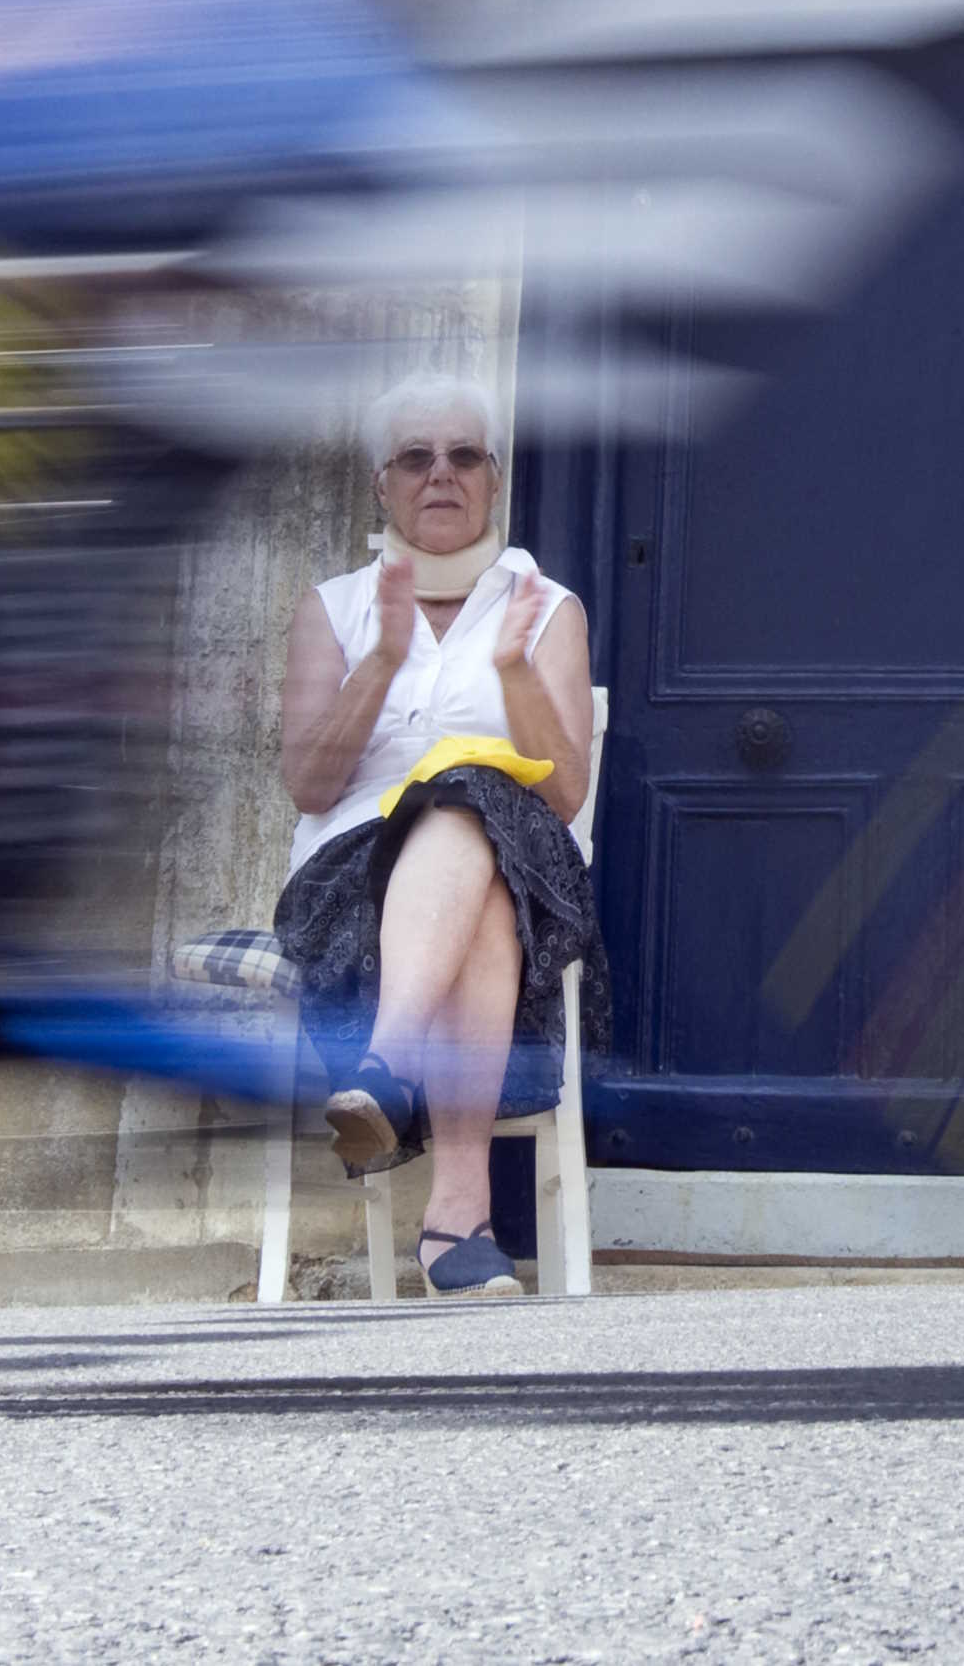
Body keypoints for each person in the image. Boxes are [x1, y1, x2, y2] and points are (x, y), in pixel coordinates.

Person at [271, 371, 610, 1299]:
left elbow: (568, 793)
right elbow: (309, 783)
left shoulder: (546, 607)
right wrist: (379, 662)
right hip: (356, 880)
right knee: (470, 834)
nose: (441, 475)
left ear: (494, 478)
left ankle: (383, 1073)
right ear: (382, 485)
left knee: (471, 802)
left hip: (521, 862)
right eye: (415, 458)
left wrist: (513, 672)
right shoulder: (333, 609)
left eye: (464, 455)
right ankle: (459, 1224)